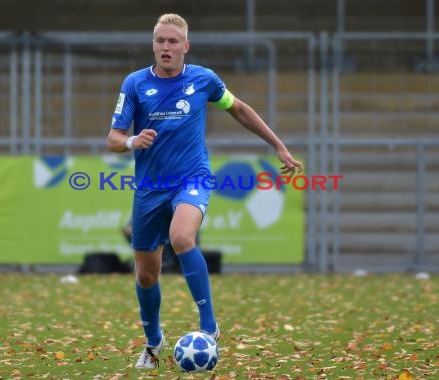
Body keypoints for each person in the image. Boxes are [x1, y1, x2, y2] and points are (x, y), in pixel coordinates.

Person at [106, 13, 303, 369]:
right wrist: (134, 140)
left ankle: (209, 328)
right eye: (160, 41)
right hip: (150, 188)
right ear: (153, 45)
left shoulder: (203, 80)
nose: (165, 48)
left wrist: (279, 145)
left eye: (172, 41)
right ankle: (153, 343)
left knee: (182, 238)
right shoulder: (135, 84)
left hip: (192, 178)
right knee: (146, 275)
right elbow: (113, 139)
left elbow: (239, 109)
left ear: (186, 46)